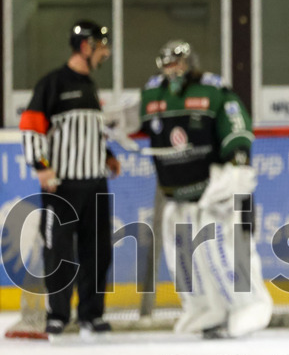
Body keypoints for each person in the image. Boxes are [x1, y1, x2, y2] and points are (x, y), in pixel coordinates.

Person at [138, 40, 272, 338]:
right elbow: (135, 119)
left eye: (178, 62)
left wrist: (237, 166)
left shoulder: (212, 91)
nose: (174, 70)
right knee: (183, 256)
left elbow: (237, 126)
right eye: (168, 64)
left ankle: (250, 304)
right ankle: (204, 309)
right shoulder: (153, 94)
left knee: (224, 246)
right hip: (178, 193)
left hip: (218, 190)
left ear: (189, 62)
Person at [19, 20, 120, 338]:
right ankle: (58, 314)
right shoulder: (54, 83)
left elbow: (88, 132)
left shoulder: (90, 85)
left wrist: (107, 155)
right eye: (102, 46)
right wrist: (41, 166)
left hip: (95, 183)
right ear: (86, 47)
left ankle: (92, 314)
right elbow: (31, 125)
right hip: (62, 185)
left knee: (98, 250)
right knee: (59, 252)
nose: (106, 53)